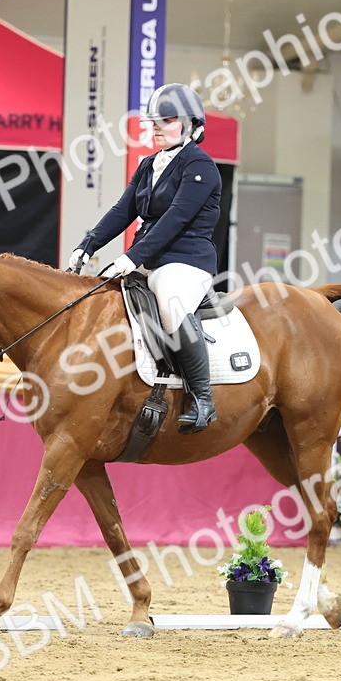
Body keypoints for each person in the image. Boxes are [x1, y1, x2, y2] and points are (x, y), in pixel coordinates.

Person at [66, 83, 221, 433]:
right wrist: (87, 245)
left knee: (170, 302)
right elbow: (123, 211)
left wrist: (131, 257)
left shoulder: (201, 167)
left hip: (186, 261)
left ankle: (202, 398)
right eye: (154, 121)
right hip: (149, 257)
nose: (156, 127)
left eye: (166, 120)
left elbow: (176, 219)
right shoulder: (149, 165)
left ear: (191, 124)